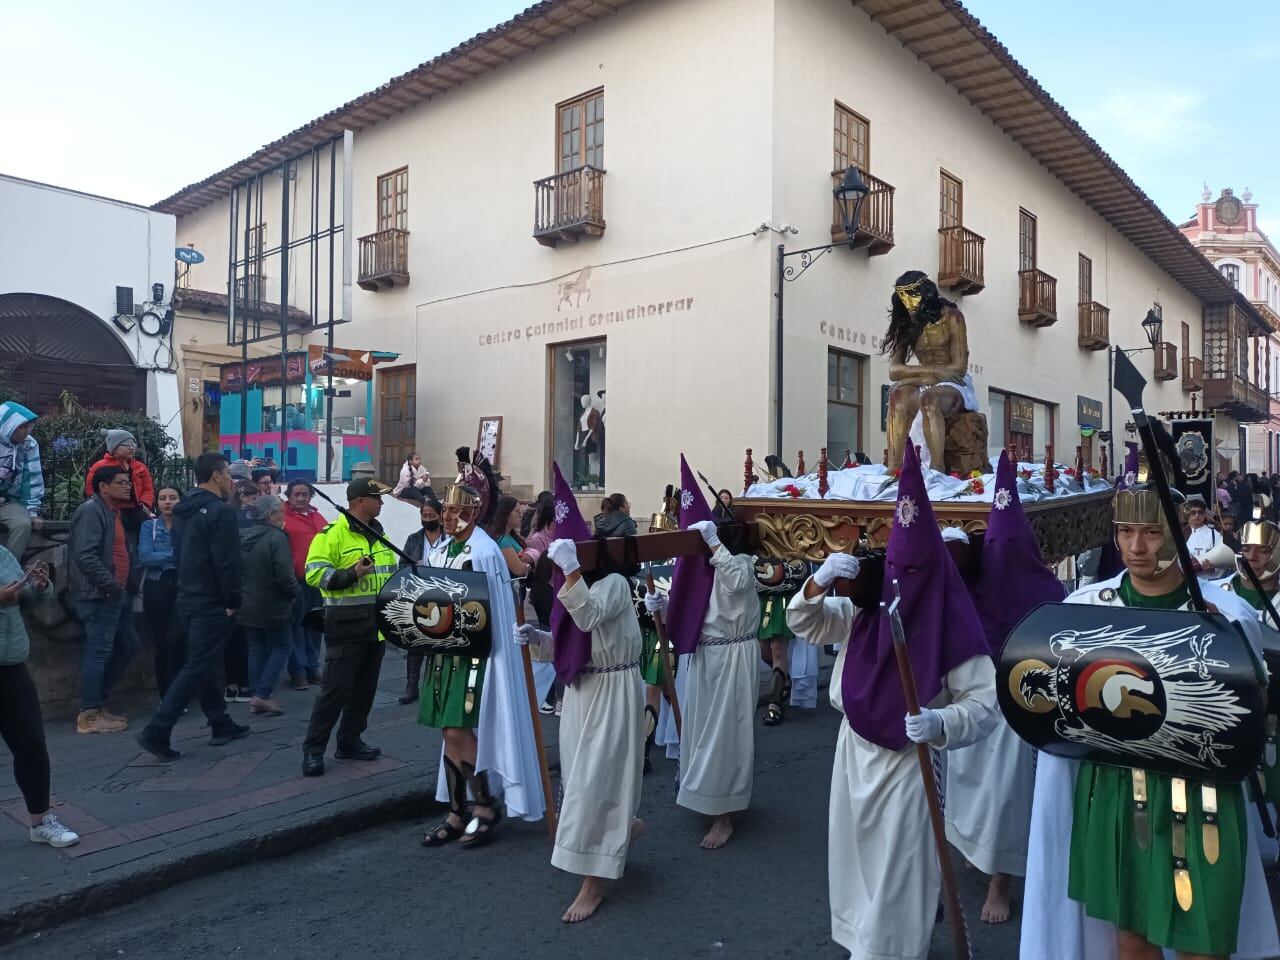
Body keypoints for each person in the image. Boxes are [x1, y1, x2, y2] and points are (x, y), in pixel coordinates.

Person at [1020, 483, 1279, 960]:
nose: (1136, 547)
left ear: (1181, 532)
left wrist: (1225, 650)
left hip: (1204, 797)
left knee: (1205, 938)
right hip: (1117, 791)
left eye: (1152, 533)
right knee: (1131, 939)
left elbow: (1256, 715)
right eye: (1125, 532)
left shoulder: (1228, 615)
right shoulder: (1087, 607)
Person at [786, 442, 998, 960]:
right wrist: (819, 580)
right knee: (857, 862)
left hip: (912, 762)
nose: (906, 581)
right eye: (898, 568)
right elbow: (804, 622)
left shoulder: (953, 623)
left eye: (917, 570)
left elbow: (985, 705)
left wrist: (940, 720)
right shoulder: (871, 608)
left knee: (900, 873)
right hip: (854, 753)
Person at [946, 451, 1065, 925]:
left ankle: (1001, 880)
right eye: (994, 545)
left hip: (1022, 705)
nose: (1002, 556)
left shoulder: (1053, 595)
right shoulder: (971, 588)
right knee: (965, 784)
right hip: (975, 696)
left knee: (1008, 793)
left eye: (1011, 545)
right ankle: (969, 855)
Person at [516, 534, 645, 923]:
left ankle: (594, 881)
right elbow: (572, 643)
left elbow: (587, 614)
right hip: (580, 691)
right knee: (576, 777)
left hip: (613, 688)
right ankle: (620, 828)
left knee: (596, 780)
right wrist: (537, 639)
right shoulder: (573, 585)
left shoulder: (615, 584)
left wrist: (571, 570)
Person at [418, 483, 545, 847]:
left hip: (475, 655)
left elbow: (491, 609)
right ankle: (458, 811)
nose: (446, 516)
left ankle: (486, 806)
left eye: (454, 510)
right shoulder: (443, 549)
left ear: (472, 513)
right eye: (444, 509)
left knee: (459, 729)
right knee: (447, 731)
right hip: (445, 651)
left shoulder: (485, 552)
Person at [135, 453, 249, 762]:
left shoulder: (184, 511)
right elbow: (227, 561)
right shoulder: (220, 513)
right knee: (198, 663)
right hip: (211, 599)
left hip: (186, 596)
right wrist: (231, 601)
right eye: (227, 474)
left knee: (206, 660)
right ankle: (157, 730)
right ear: (215, 475)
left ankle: (220, 722)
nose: (230, 480)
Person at [663, 514, 759, 850]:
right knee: (702, 729)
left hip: (734, 656)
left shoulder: (742, 562)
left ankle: (724, 815)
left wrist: (714, 542)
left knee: (726, 734)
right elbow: (691, 609)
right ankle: (704, 794)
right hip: (706, 657)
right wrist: (660, 606)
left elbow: (737, 582)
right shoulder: (704, 569)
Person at [300, 478, 397, 776]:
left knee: (364, 692)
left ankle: (350, 740)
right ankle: (313, 751)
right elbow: (313, 574)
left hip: (375, 628)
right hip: (345, 628)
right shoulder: (331, 535)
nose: (381, 503)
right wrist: (351, 574)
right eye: (376, 498)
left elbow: (389, 573)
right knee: (334, 692)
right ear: (359, 501)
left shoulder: (378, 535)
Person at [0, 547, 79, 848]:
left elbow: (22, 600)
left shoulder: (3, 555)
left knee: (32, 744)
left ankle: (41, 821)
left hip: (12, 666)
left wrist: (38, 587)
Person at [69, 465, 141, 734]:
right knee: (99, 651)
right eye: (121, 482)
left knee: (129, 645)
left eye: (128, 482)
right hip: (100, 594)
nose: (128, 486)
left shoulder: (113, 512)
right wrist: (110, 584)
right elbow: (85, 555)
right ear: (103, 487)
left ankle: (98, 702)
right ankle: (89, 713)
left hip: (116, 593)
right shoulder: (92, 511)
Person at [883, 270, 976, 470]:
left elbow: (958, 367)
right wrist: (933, 373)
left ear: (926, 293)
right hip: (926, 380)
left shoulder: (953, 317)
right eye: (903, 297)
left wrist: (919, 374)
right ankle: (894, 468)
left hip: (955, 384)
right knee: (897, 396)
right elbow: (894, 370)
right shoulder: (905, 324)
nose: (908, 302)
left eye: (912, 294)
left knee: (929, 400)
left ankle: (937, 468)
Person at [238, 495, 299, 716]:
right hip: (273, 603)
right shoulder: (276, 538)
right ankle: (263, 694)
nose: (283, 516)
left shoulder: (243, 536)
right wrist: (295, 592)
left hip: (247, 602)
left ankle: (257, 695)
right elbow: (284, 575)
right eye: (280, 512)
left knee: (256, 648)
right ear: (271, 515)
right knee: (282, 646)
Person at [397, 496, 447, 704]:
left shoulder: (449, 539)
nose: (427, 519)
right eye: (424, 516)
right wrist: (413, 567)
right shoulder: (414, 539)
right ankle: (411, 686)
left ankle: (435, 687)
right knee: (415, 643)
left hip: (444, 595)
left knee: (439, 644)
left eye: (431, 516)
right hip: (419, 596)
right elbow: (401, 566)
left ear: (440, 517)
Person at [138, 487, 185, 698]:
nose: (168, 502)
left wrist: (164, 556)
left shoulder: (186, 526)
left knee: (180, 639)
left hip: (182, 585)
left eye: (173, 498)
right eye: (163, 498)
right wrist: (174, 555)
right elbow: (146, 556)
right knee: (163, 641)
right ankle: (166, 693)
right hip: (156, 586)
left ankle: (179, 692)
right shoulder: (150, 526)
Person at [281, 480, 326, 690]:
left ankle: (312, 666)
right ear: (288, 496)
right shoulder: (281, 517)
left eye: (305, 494)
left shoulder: (318, 517)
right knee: (297, 626)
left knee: (315, 624)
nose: (300, 498)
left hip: (317, 580)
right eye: (296, 494)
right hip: (295, 580)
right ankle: (298, 670)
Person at [0, 402, 43, 563]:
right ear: (8, 425)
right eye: (23, 427)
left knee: (22, 525)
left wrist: (32, 511)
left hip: (8, 501)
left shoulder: (29, 444)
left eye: (29, 427)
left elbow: (32, 478)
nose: (27, 432)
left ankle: (7, 575)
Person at [83, 429, 155, 520]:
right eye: (127, 445)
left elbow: (148, 488)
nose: (131, 448)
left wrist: (145, 503)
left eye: (133, 445)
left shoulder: (140, 467)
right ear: (114, 449)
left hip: (137, 508)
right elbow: (91, 488)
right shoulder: (100, 466)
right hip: (111, 509)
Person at [488, 494, 529, 579]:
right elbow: (519, 570)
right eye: (517, 511)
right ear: (506, 514)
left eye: (521, 512)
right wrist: (533, 561)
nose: (521, 515)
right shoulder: (502, 541)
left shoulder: (510, 536)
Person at [1184, 496, 1226, 575]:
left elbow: (1223, 560)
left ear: (1204, 514)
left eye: (1200, 512)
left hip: (1209, 580)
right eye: (1193, 512)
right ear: (1187, 514)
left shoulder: (1214, 535)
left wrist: (1213, 569)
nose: (1197, 515)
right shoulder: (1181, 533)